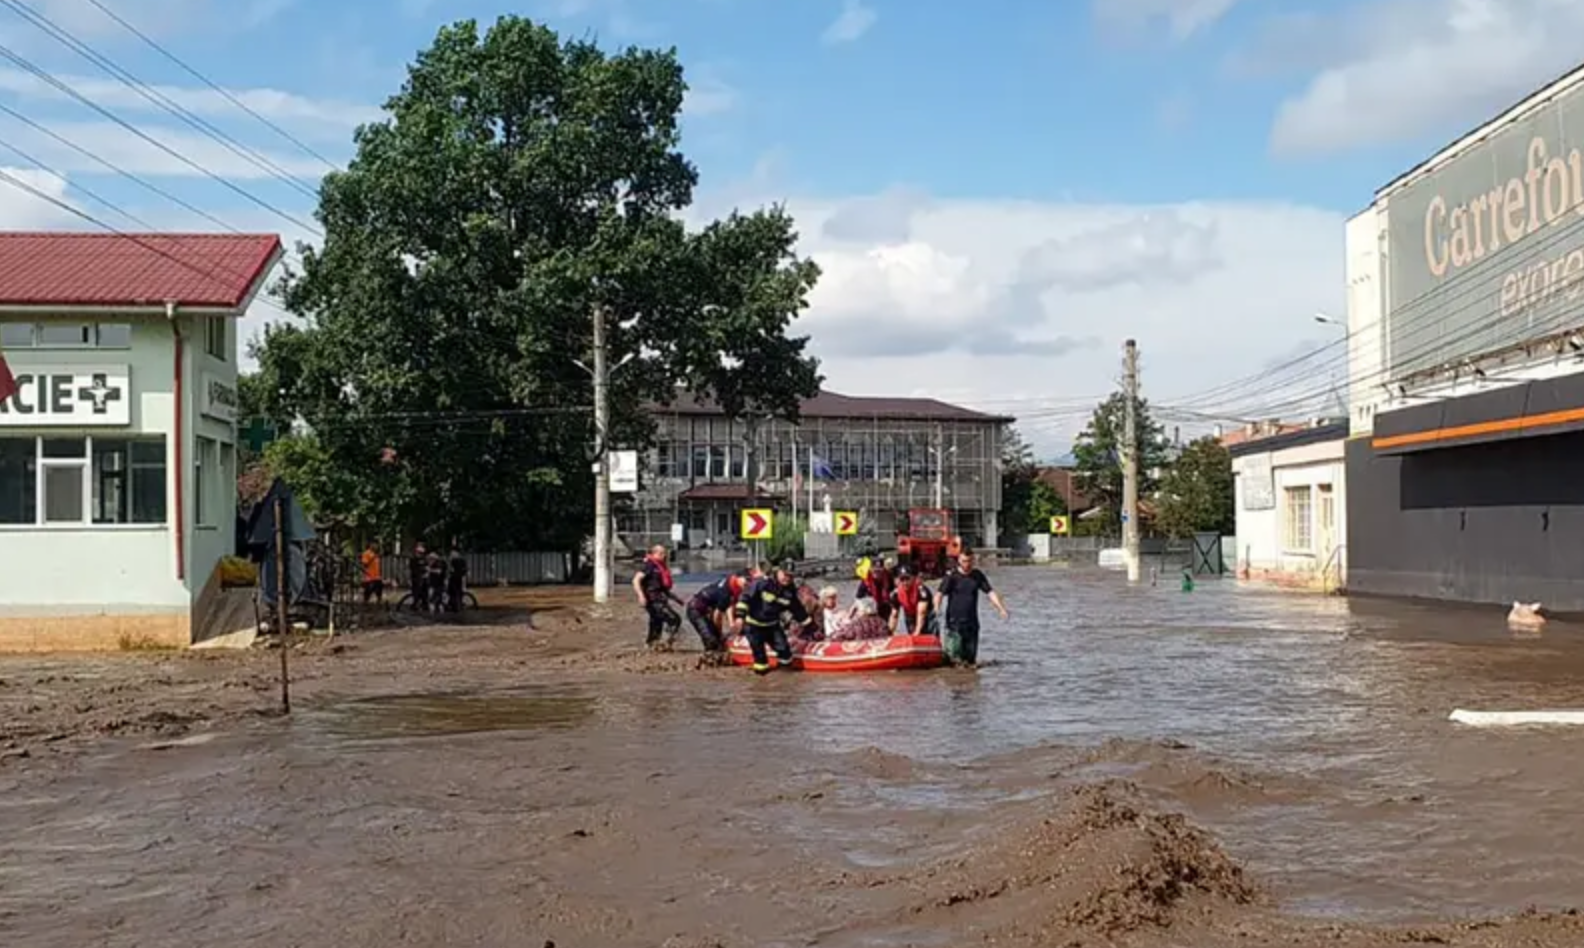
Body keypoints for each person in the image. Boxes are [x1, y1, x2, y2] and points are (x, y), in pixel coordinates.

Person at [733, 561, 811, 674]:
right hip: (754, 626)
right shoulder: (762, 583)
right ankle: (760, 685)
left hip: (773, 626)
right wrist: (739, 617)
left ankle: (782, 683)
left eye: (790, 576)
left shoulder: (790, 591)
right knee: (761, 663)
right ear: (778, 572)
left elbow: (798, 610)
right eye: (785, 574)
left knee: (786, 655)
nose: (787, 578)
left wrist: (810, 626)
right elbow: (745, 598)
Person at [936, 548, 1008, 666]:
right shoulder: (951, 576)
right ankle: (952, 682)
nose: (967, 564)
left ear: (973, 560)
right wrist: (936, 608)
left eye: (969, 561)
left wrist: (1001, 608)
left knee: (970, 662)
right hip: (954, 623)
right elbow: (939, 594)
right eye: (964, 561)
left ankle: (970, 683)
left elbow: (990, 592)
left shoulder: (977, 575)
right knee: (953, 659)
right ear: (959, 560)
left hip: (972, 624)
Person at [685, 565, 757, 655]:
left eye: (751, 581)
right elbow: (717, 615)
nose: (748, 584)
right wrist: (719, 632)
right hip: (696, 610)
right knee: (712, 639)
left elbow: (729, 605)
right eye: (747, 580)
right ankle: (710, 658)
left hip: (709, 610)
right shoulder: (725, 591)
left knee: (738, 627)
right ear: (737, 577)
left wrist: (732, 623)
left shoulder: (734, 585)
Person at [632, 544, 684, 648]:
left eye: (664, 553)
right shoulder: (649, 565)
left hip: (659, 598)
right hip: (652, 600)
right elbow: (636, 580)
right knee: (674, 619)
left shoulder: (659, 566)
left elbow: (661, 588)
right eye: (661, 553)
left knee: (656, 622)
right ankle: (667, 643)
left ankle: (652, 645)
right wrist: (641, 596)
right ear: (654, 553)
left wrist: (676, 598)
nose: (664, 556)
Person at [889, 564, 937, 636]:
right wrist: (890, 632)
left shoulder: (921, 591)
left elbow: (922, 613)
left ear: (913, 578)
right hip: (910, 615)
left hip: (927, 616)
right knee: (911, 633)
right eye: (902, 579)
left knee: (924, 635)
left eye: (907, 578)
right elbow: (894, 615)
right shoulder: (896, 594)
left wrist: (917, 632)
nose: (905, 582)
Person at [854, 555, 895, 622]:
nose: (877, 573)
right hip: (871, 607)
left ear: (883, 569)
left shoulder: (888, 577)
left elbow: (894, 591)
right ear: (870, 569)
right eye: (874, 571)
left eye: (879, 571)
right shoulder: (866, 580)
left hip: (884, 605)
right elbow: (858, 598)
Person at [446, 542, 468, 612]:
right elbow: (465, 570)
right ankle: (459, 604)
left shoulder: (453, 560)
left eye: (452, 553)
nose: (451, 554)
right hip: (460, 578)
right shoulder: (463, 560)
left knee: (452, 592)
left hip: (454, 579)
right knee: (458, 592)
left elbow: (450, 570)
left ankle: (453, 606)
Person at [424, 549, 448, 614]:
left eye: (431, 559)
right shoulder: (432, 564)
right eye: (429, 559)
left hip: (439, 583)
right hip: (433, 583)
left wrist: (430, 570)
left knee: (436, 597)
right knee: (433, 597)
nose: (430, 560)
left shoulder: (440, 563)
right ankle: (436, 610)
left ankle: (439, 610)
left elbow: (439, 571)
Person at [408, 543, 429, 610]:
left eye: (421, 553)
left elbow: (426, 567)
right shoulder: (413, 559)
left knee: (424, 593)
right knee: (416, 592)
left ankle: (424, 605)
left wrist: (425, 571)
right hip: (416, 579)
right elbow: (413, 569)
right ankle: (415, 605)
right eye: (418, 553)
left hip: (424, 578)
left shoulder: (424, 559)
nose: (420, 554)